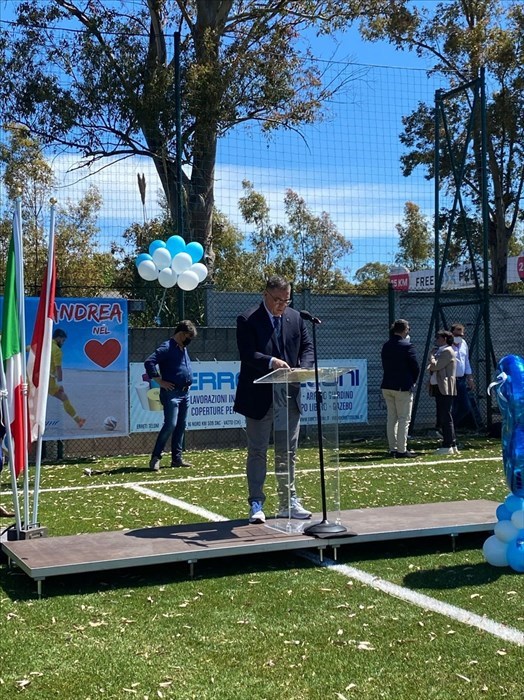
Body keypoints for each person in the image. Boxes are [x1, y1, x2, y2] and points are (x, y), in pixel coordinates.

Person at [234, 275, 314, 524]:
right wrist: (271, 363)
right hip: (259, 396)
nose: (282, 304)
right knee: (258, 451)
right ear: (265, 295)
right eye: (277, 299)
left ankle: (287, 501)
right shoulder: (247, 319)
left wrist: (302, 368)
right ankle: (256, 503)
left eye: (286, 299)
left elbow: (307, 348)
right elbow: (247, 354)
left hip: (289, 395)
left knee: (287, 452)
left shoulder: (296, 318)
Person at [145, 320, 197, 472]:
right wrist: (159, 381)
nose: (189, 340)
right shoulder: (167, 347)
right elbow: (149, 362)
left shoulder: (183, 348)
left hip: (184, 392)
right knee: (170, 425)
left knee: (181, 425)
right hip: (171, 393)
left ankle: (177, 458)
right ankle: (156, 457)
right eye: (188, 336)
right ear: (181, 334)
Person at [380, 318, 419, 458]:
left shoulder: (386, 345)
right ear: (404, 329)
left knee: (392, 417)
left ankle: (393, 448)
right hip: (402, 386)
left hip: (387, 385)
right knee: (403, 419)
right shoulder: (407, 346)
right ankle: (402, 450)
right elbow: (415, 367)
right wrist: (413, 380)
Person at [428, 330, 458, 455]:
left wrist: (431, 356)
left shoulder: (447, 351)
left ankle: (448, 444)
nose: (436, 339)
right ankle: (453, 443)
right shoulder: (441, 351)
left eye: (438, 337)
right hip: (439, 387)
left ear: (445, 339)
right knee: (443, 415)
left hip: (445, 388)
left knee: (446, 416)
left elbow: (435, 366)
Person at [49, 329, 86, 428]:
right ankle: (78, 421)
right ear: (58, 338)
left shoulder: (45, 345)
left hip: (36, 378)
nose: (63, 343)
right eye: (63, 340)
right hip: (49, 382)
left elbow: (31, 348)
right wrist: (61, 384)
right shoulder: (57, 350)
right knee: (64, 397)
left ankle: (79, 420)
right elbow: (58, 369)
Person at [450, 323, 483, 430]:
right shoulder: (447, 345)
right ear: (452, 334)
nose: (459, 337)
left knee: (465, 406)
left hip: (461, 379)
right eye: (457, 335)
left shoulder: (463, 344)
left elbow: (466, 361)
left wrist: (470, 378)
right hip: (450, 379)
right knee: (452, 406)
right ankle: (448, 429)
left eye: (461, 335)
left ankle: (450, 427)